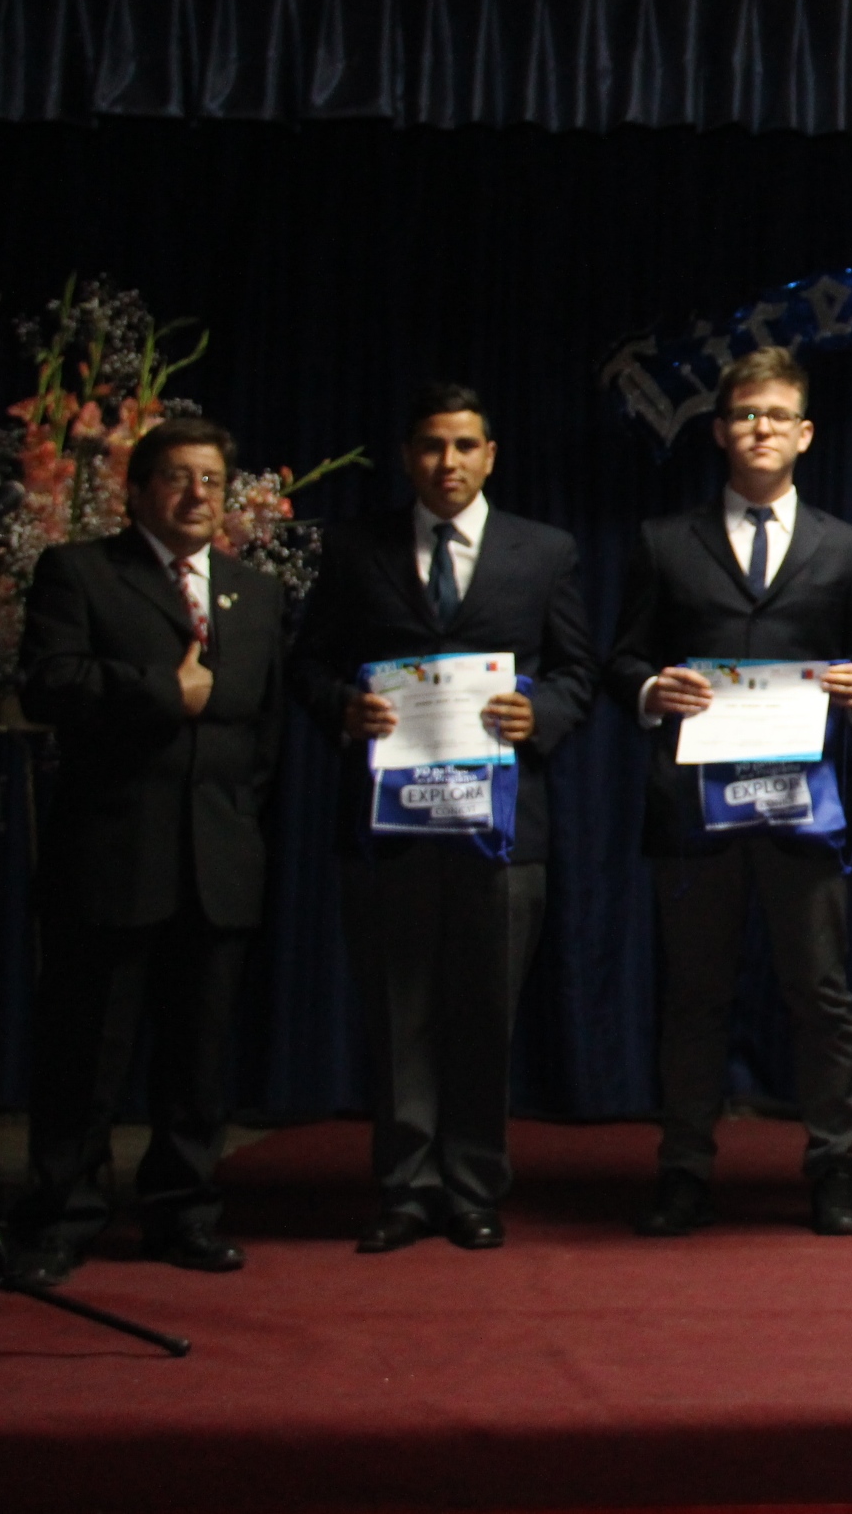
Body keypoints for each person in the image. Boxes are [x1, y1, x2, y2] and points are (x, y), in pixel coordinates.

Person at [291, 384, 598, 1254]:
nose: (447, 462)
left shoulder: (544, 551)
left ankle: (471, 1186)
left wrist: (542, 714)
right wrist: (341, 708)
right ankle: (403, 1186)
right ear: (407, 455)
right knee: (398, 1012)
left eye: (464, 445)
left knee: (482, 1012)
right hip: (388, 829)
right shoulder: (355, 548)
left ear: (490, 455)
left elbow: (579, 670)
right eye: (431, 445)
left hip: (503, 832)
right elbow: (309, 664)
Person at [606, 346, 852, 1237]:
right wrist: (652, 690)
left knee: (822, 995)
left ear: (804, 434)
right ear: (720, 431)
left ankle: (835, 1166)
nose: (759, 429)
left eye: (776, 416)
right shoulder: (662, 541)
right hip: (693, 814)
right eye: (743, 416)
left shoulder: (849, 547)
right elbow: (621, 658)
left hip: (805, 814)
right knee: (693, 998)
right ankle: (684, 1166)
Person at [10, 418, 286, 1285]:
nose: (196, 494)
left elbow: (263, 734)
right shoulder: (83, 572)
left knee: (198, 1060)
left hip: (219, 861)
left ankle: (183, 1212)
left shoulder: (255, 592)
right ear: (137, 492)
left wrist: (238, 820)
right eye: (175, 477)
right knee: (86, 1057)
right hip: (111, 858)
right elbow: (47, 682)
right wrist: (157, 691)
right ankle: (60, 1217)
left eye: (210, 479)